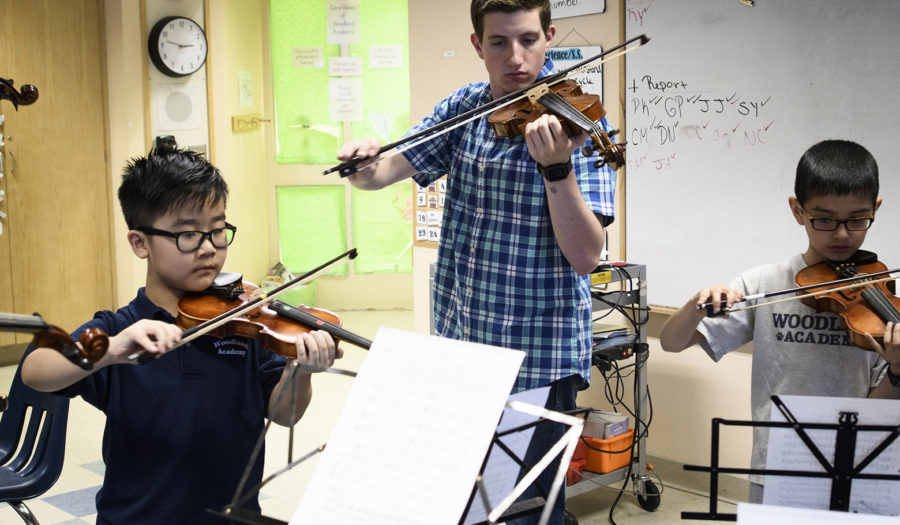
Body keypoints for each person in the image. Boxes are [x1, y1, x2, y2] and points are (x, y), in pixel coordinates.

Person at [337, 0, 617, 522]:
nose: (516, 57)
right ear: (477, 45)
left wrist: (557, 170)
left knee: (521, 509)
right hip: (460, 348)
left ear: (549, 35)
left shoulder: (579, 121)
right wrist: (362, 164)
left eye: (528, 40)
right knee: (467, 501)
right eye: (499, 42)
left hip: (537, 356)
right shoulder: (465, 108)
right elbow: (387, 170)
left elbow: (586, 256)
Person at [20, 146, 340, 524]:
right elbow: (35, 370)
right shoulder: (119, 329)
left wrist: (300, 372)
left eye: (218, 230)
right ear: (140, 243)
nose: (208, 248)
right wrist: (111, 351)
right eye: (188, 235)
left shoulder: (245, 320)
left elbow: (285, 414)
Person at [659, 139, 900, 501]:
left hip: (859, 460)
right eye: (824, 219)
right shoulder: (766, 283)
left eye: (857, 220)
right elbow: (671, 342)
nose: (841, 234)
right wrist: (696, 303)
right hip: (777, 462)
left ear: (875, 208)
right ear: (797, 210)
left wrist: (897, 371)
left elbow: (876, 405)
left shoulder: (881, 299)